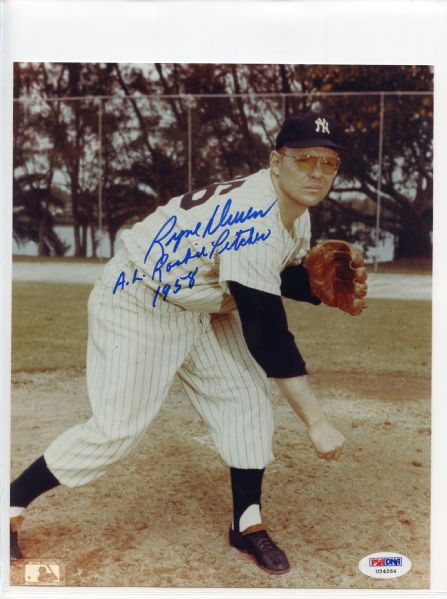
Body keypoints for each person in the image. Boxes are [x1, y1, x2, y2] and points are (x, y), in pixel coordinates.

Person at [11, 111, 350, 576]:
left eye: (328, 163)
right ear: (276, 162)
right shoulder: (255, 215)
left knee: (245, 397)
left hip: (203, 300)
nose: (316, 172)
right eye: (305, 159)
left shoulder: (294, 212)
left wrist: (315, 288)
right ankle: (10, 502)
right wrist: (316, 422)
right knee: (116, 430)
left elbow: (266, 274)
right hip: (139, 298)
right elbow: (266, 331)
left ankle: (246, 524)